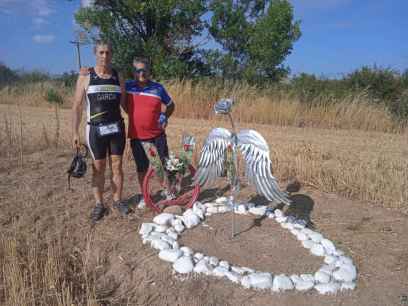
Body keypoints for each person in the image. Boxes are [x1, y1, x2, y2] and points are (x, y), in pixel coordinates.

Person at [72, 40, 129, 223]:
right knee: (98, 169)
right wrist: (74, 132)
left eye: (108, 53)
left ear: (112, 54)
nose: (105, 56)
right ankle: (99, 204)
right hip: (95, 130)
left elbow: (125, 105)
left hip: (116, 129)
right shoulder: (85, 76)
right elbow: (77, 107)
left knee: (118, 166)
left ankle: (117, 201)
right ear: (95, 54)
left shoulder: (118, 77)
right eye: (101, 52)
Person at [125, 57, 175, 206]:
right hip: (137, 137)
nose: (141, 73)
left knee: (160, 165)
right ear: (133, 72)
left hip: (157, 136)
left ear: (149, 71)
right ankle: (145, 195)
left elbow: (171, 105)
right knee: (141, 168)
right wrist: (88, 72)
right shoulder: (127, 86)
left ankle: (168, 192)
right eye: (138, 70)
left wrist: (164, 116)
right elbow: (109, 79)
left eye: (144, 70)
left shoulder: (158, 88)